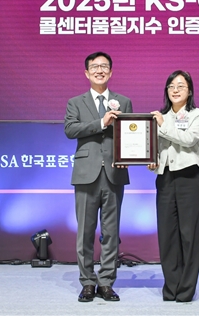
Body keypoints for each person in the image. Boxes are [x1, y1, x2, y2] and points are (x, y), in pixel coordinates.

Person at [64, 51, 132, 303]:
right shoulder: (75, 102)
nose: (100, 70)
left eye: (104, 66)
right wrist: (101, 123)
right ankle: (87, 282)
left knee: (111, 232)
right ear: (87, 73)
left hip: (115, 173)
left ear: (111, 72)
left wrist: (134, 155)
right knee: (85, 231)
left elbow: (131, 135)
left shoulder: (123, 101)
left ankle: (106, 282)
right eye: (95, 67)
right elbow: (70, 129)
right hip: (86, 174)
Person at [148, 70, 199, 303]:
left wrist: (162, 125)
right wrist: (151, 161)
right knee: (167, 234)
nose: (175, 90)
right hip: (165, 179)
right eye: (171, 86)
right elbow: (155, 148)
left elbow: (189, 139)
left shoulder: (197, 114)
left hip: (189, 178)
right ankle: (171, 287)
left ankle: (186, 290)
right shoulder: (160, 116)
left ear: (189, 91)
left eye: (181, 86)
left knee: (189, 235)